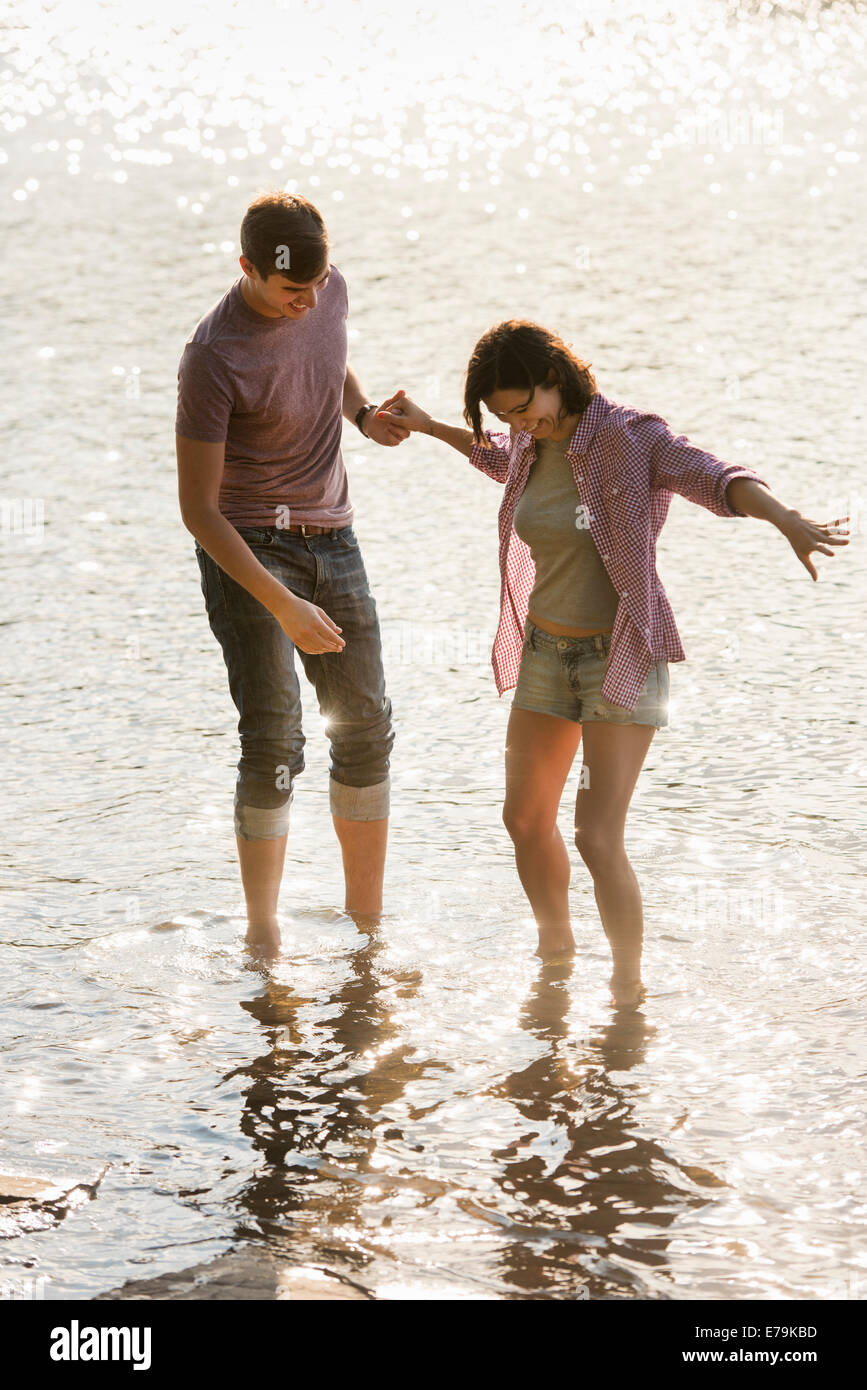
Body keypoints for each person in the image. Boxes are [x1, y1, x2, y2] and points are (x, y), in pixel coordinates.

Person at [377, 320, 849, 1006]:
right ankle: (555, 956)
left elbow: (716, 477)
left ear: (554, 377)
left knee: (595, 836)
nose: (520, 423)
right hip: (544, 651)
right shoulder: (527, 445)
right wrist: (428, 427)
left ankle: (627, 992)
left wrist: (784, 520)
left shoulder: (631, 440)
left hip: (618, 657)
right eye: (506, 414)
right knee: (523, 819)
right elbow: (496, 454)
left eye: (524, 406)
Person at [175, 191, 408, 958]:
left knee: (366, 727)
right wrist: (281, 606)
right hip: (248, 548)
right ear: (246, 268)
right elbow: (199, 512)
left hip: (333, 537)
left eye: (313, 287)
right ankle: (264, 935)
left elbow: (330, 358)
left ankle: (366, 929)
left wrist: (365, 414)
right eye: (287, 292)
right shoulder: (212, 357)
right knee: (274, 738)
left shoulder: (327, 289)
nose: (304, 302)